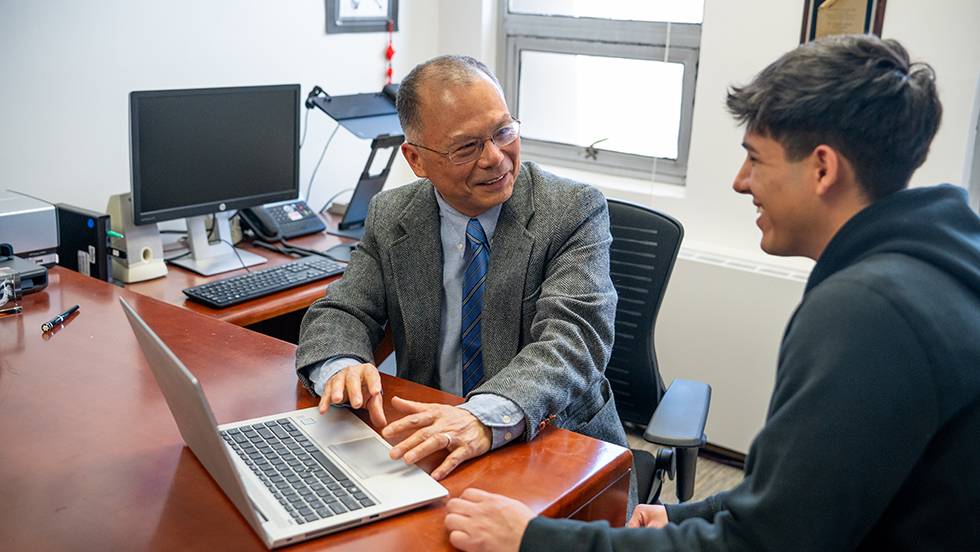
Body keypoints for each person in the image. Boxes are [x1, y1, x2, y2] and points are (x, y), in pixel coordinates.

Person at [443, 34, 980, 552]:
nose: (741, 181)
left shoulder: (868, 313)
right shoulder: (939, 260)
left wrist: (532, 539)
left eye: (756, 157)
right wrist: (684, 515)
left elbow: (765, 543)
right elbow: (800, 499)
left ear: (822, 168)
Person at [295, 55, 636, 510]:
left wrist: (481, 417)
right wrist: (341, 367)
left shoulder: (572, 210)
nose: (495, 157)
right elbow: (342, 310)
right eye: (466, 147)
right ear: (416, 159)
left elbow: (573, 341)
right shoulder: (393, 214)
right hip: (433, 440)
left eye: (504, 132)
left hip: (550, 438)